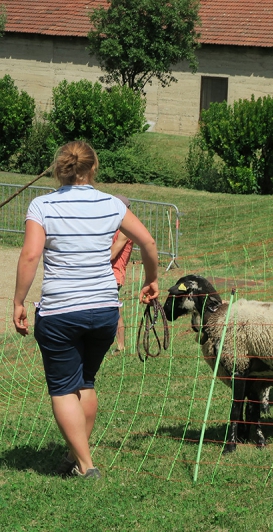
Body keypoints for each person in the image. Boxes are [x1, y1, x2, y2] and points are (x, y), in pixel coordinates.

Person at [13, 141, 159, 479]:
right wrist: (151, 280)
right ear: (92, 168)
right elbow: (148, 242)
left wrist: (19, 301)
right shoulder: (111, 203)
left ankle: (86, 465)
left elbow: (31, 255)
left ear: (59, 169)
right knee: (86, 382)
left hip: (60, 311)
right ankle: (75, 456)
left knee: (63, 387)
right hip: (104, 309)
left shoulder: (42, 205)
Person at [110, 195, 134, 352]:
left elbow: (112, 254)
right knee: (111, 309)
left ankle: (120, 345)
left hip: (114, 274)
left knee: (114, 310)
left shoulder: (125, 230)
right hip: (106, 273)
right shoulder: (115, 226)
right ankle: (117, 345)